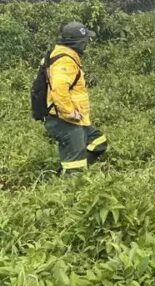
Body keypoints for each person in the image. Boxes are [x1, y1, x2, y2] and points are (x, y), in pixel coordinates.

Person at [44, 22, 108, 175]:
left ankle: (63, 173)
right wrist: (69, 112)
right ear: (77, 42)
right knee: (75, 167)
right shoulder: (65, 60)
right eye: (84, 41)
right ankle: (67, 188)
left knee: (98, 142)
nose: (86, 44)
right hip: (65, 120)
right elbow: (59, 89)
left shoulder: (68, 56)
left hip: (76, 119)